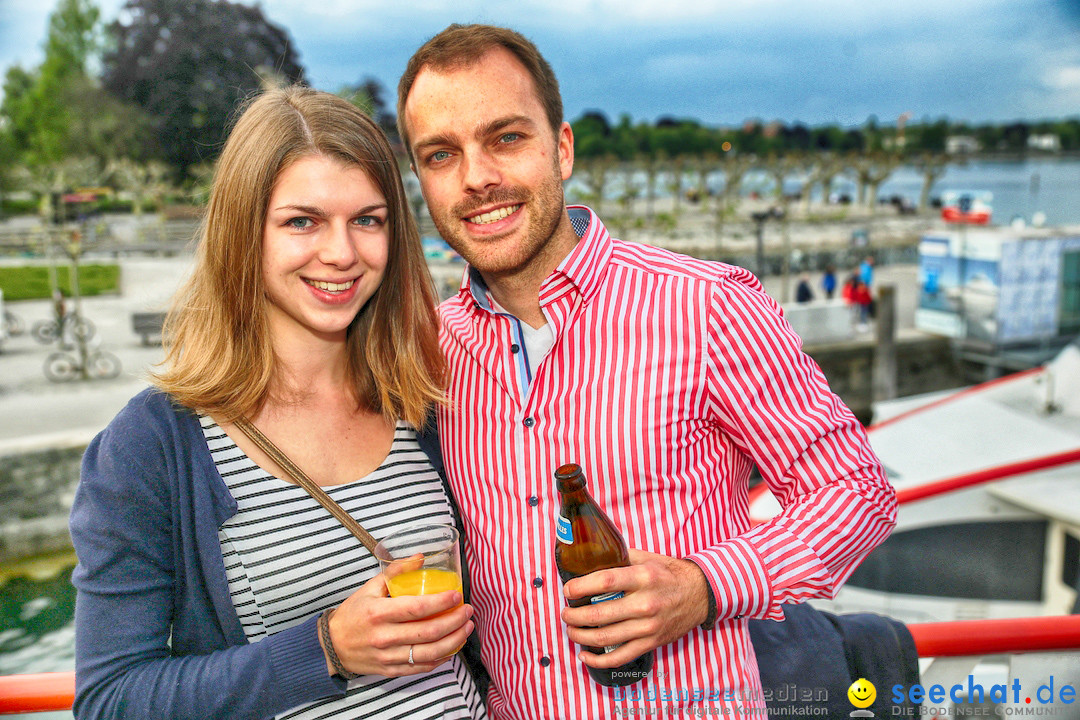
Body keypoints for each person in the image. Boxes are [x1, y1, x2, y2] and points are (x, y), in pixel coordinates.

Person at [397, 24, 897, 719]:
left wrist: (704, 585)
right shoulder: (432, 351)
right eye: (442, 154)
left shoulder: (706, 306)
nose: (478, 177)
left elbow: (856, 492)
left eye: (506, 138)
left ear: (562, 148)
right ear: (420, 179)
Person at [69, 86, 487, 720]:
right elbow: (111, 701)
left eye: (367, 220)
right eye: (303, 221)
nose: (342, 253)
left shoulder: (421, 399)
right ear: (245, 232)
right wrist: (326, 650)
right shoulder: (152, 445)